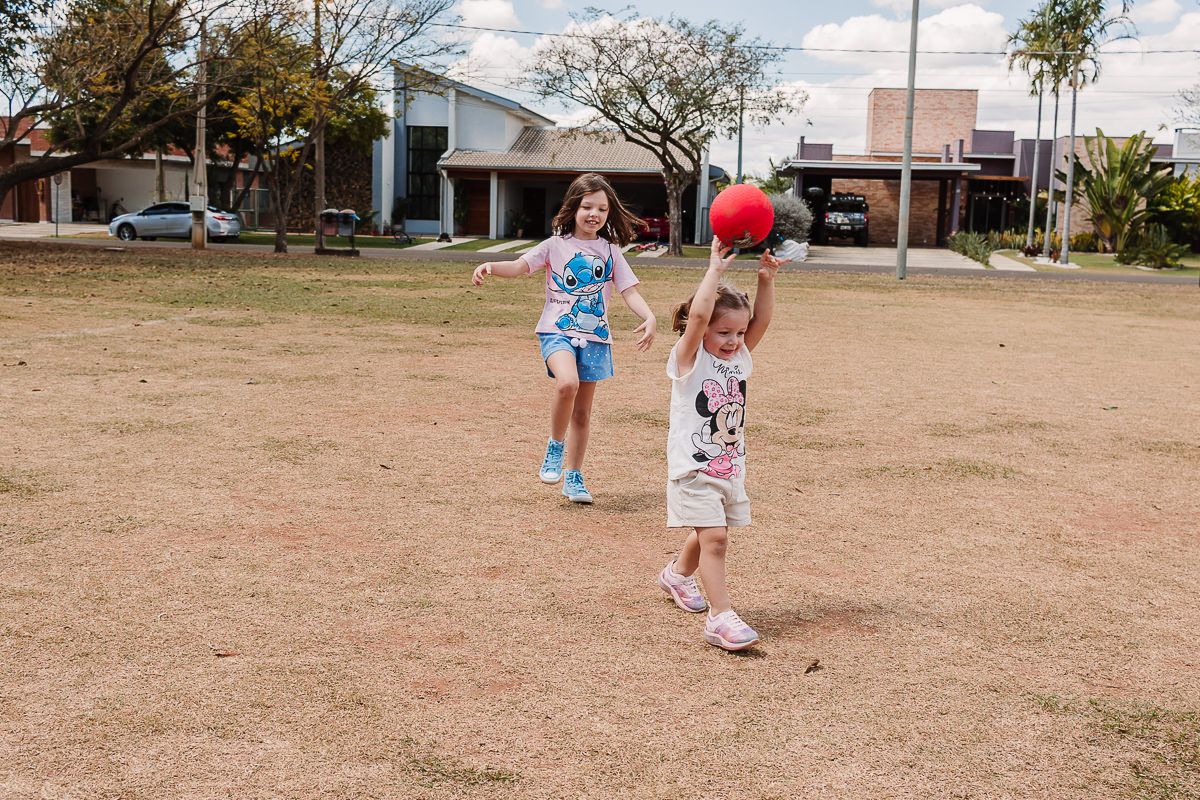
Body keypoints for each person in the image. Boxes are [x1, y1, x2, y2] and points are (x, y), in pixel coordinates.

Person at [471, 172, 656, 504]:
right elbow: (518, 266)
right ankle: (554, 447)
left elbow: (629, 291)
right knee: (566, 383)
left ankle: (574, 477)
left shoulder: (610, 251)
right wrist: (490, 265)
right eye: (587, 206)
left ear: (608, 213)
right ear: (573, 207)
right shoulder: (554, 246)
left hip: (596, 339)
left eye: (601, 208)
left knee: (582, 415)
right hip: (557, 331)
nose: (593, 214)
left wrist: (649, 316)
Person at [656, 237, 788, 651]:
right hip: (694, 468)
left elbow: (760, 323)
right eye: (723, 332)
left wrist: (765, 279)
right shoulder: (689, 359)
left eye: (738, 333)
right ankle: (720, 617)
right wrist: (714, 270)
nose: (733, 340)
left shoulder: (738, 359)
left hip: (729, 467)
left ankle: (676, 575)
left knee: (712, 530)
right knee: (716, 538)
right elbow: (696, 319)